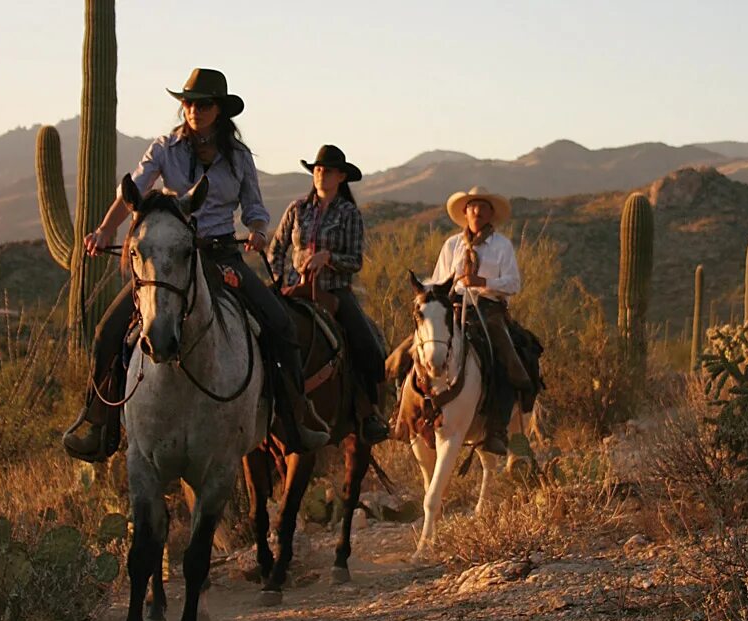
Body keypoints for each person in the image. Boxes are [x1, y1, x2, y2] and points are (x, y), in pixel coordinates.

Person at [62, 68, 329, 462]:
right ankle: (98, 423)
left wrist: (257, 229)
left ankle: (294, 418)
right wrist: (104, 229)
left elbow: (255, 208)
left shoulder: (238, 158)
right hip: (170, 257)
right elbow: (133, 192)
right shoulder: (164, 148)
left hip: (221, 255)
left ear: (219, 110)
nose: (194, 110)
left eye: (203, 104)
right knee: (106, 332)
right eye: (188, 103)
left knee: (280, 324)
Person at [266, 145, 390, 444]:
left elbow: (355, 260)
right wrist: (277, 279)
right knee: (259, 328)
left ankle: (369, 412)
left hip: (334, 291)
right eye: (318, 169)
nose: (321, 174)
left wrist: (328, 257)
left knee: (367, 344)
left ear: (341, 176)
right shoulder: (297, 209)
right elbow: (277, 249)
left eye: (328, 170)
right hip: (294, 290)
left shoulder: (349, 213)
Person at [410, 186, 533, 455]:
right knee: (417, 344)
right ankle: (406, 415)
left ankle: (498, 427)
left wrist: (482, 282)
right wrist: (427, 293)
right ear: (465, 212)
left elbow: (514, 283)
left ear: (491, 213)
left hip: (488, 308)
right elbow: (439, 279)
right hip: (452, 304)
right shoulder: (452, 245)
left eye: (482, 207)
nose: (476, 211)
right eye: (472, 207)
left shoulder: (501, 245)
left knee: (499, 351)